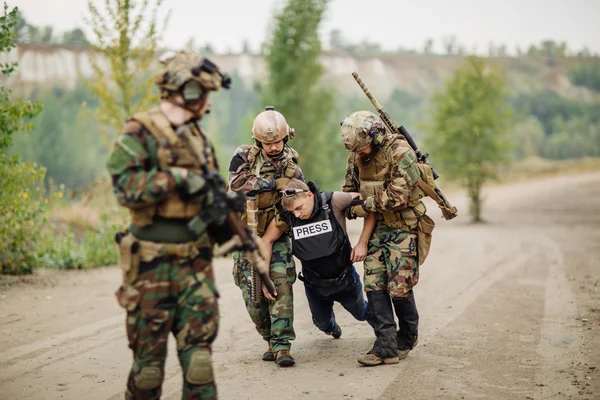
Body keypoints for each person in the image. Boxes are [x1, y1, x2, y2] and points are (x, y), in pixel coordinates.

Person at [106, 50, 232, 399]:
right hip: (150, 267)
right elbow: (123, 189)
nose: (207, 104)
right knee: (147, 372)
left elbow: (210, 192)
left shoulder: (198, 137)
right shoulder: (139, 130)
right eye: (204, 94)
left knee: (199, 367)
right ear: (187, 91)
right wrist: (174, 179)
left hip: (195, 264)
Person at [340, 110, 433, 366]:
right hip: (375, 230)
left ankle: (406, 337)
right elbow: (349, 192)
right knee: (373, 284)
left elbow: (397, 197)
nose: (358, 155)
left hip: (403, 228)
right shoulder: (357, 154)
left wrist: (363, 205)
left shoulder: (400, 152)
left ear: (376, 138)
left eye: (362, 150)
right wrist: (352, 205)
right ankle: (385, 346)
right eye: (355, 151)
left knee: (399, 288)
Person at [228, 107, 303, 367]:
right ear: (257, 141)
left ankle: (283, 346)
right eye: (267, 143)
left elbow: (297, 204)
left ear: (286, 138)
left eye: (277, 142)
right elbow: (237, 184)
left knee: (280, 286)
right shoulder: (243, 156)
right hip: (246, 234)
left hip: (276, 233)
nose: (273, 148)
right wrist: (273, 184)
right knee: (253, 295)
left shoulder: (291, 166)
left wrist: (271, 236)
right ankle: (269, 338)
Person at [260, 179, 375, 339]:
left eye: (299, 208)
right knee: (322, 323)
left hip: (344, 279)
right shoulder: (288, 216)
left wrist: (362, 243)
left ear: (309, 195)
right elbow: (267, 240)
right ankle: (333, 328)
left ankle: (388, 334)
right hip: (314, 284)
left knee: (362, 312)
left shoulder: (332, 201)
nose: (298, 215)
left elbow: (369, 204)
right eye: (293, 212)